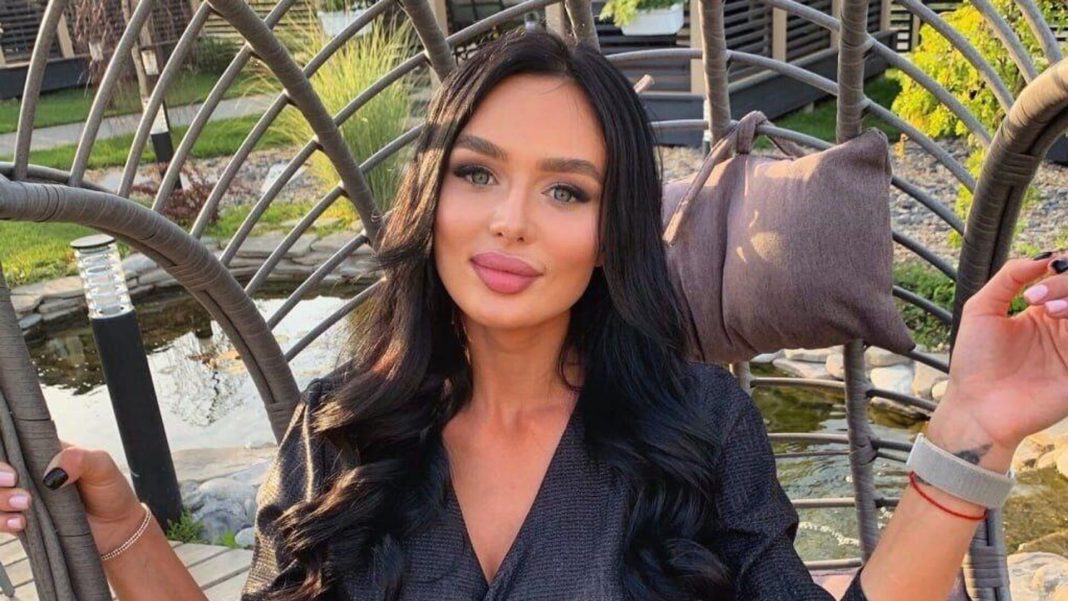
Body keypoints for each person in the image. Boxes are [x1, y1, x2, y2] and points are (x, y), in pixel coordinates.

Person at [3, 27, 1067, 601]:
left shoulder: (698, 427)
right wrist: (123, 524)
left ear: (611, 231)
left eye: (566, 189)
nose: (509, 219)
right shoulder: (341, 426)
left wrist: (971, 423)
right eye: (478, 173)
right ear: (433, 198)